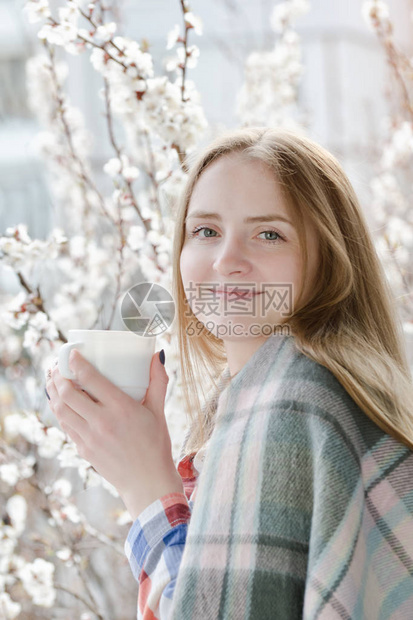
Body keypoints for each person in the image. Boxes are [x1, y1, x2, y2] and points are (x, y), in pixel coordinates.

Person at [46, 126, 413, 619]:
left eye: (269, 234)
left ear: (330, 257)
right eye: (205, 231)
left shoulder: (290, 401)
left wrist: (146, 487)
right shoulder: (324, 392)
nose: (226, 261)